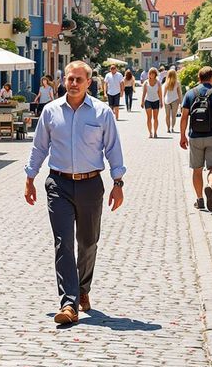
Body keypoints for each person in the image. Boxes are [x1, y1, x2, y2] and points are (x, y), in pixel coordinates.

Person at [24, 60, 126, 325]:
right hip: (58, 184)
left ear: (88, 83)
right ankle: (68, 303)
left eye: (79, 79)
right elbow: (39, 147)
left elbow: (113, 148)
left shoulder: (102, 113)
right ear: (64, 80)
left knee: (88, 242)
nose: (73, 83)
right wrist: (30, 177)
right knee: (63, 243)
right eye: (70, 79)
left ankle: (82, 288)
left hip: (91, 184)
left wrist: (118, 183)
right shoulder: (50, 111)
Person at [179, 65, 212, 213]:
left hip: (195, 137)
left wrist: (182, 136)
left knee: (196, 170)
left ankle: (200, 200)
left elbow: (184, 117)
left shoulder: (190, 94)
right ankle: (209, 186)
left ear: (199, 78)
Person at [142, 67, 163, 138]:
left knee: (155, 118)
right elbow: (144, 93)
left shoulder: (158, 83)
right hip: (148, 101)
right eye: (150, 73)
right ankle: (150, 132)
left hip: (156, 101)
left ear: (155, 74)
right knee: (149, 118)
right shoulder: (146, 82)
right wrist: (142, 101)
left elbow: (160, 93)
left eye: (153, 73)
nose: (151, 75)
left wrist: (161, 102)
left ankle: (155, 132)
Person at [162, 69, 182, 134]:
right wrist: (181, 101)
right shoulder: (177, 83)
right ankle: (172, 128)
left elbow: (164, 93)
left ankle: (168, 128)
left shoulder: (166, 83)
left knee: (167, 115)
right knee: (174, 116)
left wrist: (162, 101)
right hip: (175, 100)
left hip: (167, 100)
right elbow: (179, 93)